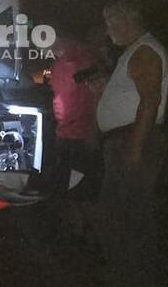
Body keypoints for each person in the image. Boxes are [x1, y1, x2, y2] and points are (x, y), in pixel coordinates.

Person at [95, 0, 168, 287]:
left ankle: (132, 277)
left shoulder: (145, 51)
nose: (107, 28)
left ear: (128, 21)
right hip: (126, 139)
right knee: (120, 216)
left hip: (133, 140)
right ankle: (125, 275)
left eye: (110, 21)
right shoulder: (133, 52)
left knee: (128, 217)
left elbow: (150, 102)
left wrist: (134, 151)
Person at [48, 32, 103, 243]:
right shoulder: (59, 64)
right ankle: (77, 232)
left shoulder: (86, 60)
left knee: (83, 191)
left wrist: (94, 132)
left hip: (82, 137)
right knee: (66, 188)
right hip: (65, 135)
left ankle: (93, 237)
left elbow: (98, 95)